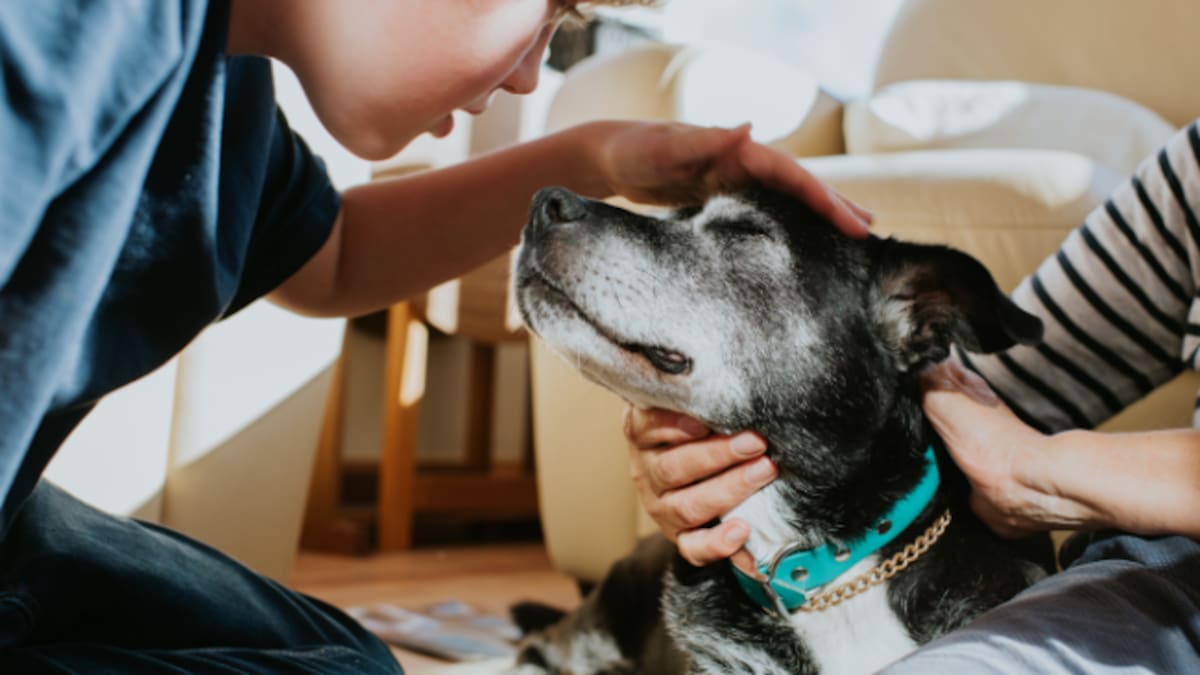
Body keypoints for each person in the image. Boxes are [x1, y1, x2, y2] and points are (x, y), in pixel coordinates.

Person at [0, 0, 873, 672]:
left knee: (344, 659)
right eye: (544, 14)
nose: (533, 77)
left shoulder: (224, 101)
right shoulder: (71, 33)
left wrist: (599, 157)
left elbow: (334, 257)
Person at [626, 118, 1200, 671]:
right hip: (1163, 587)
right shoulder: (1192, 172)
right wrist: (699, 461)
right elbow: (984, 387)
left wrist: (1038, 470)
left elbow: (1011, 460)